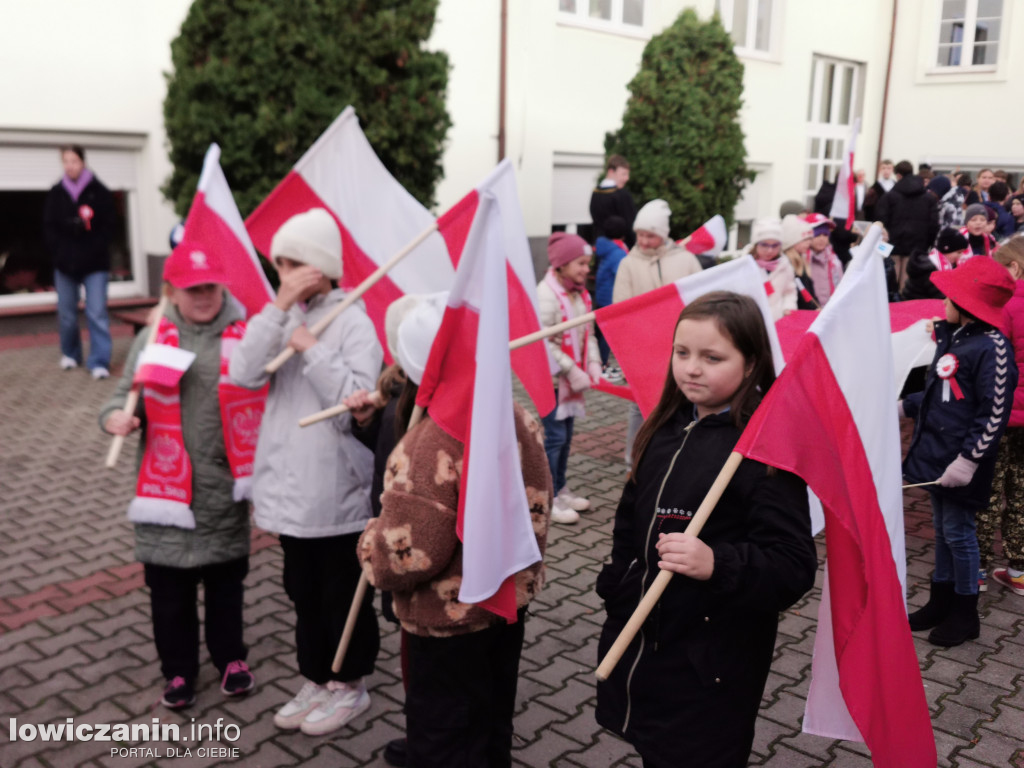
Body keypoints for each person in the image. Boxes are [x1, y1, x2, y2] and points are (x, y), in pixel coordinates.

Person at [595, 291, 817, 768]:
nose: (692, 368)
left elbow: (793, 564)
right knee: (656, 750)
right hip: (646, 643)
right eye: (682, 353)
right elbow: (629, 516)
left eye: (712, 357)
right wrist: (618, 582)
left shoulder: (762, 451)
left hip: (710, 664)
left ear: (751, 361)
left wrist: (717, 563)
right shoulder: (665, 427)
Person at [229, 208, 382, 735]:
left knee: (340, 591)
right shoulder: (282, 314)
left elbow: (359, 402)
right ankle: (317, 676)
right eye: (280, 265)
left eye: (295, 264)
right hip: (288, 487)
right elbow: (244, 373)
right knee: (301, 589)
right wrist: (278, 310)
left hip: (335, 491)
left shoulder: (354, 319)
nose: (285, 274)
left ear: (320, 267)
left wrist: (313, 350)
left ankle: (350, 682)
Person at [356, 369, 552, 768]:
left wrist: (370, 541)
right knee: (490, 719)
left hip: (449, 622)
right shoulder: (512, 413)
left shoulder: (432, 440)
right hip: (503, 606)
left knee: (444, 738)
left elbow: (406, 557)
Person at [99, 241, 262, 709]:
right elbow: (118, 400)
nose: (203, 296)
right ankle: (178, 671)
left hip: (220, 489)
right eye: (192, 289)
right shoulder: (153, 339)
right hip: (164, 492)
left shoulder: (245, 333)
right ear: (171, 290)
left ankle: (231, 659)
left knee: (225, 587)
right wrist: (114, 419)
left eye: (210, 285)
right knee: (169, 597)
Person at [343, 293, 448, 768]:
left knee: (425, 660)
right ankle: (423, 728)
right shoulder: (397, 397)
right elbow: (386, 451)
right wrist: (365, 422)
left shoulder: (431, 406)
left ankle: (429, 737)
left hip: (413, 551)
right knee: (409, 647)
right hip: (391, 533)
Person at [902, 256, 1018, 647]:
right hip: (938, 455)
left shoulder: (993, 348)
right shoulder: (956, 337)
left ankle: (965, 612)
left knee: (959, 533)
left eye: (948, 297)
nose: (942, 303)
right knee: (943, 530)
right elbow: (942, 393)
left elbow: (993, 411)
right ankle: (941, 600)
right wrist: (905, 406)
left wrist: (969, 460)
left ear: (966, 304)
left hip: (961, 461)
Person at [613, 199, 702, 466]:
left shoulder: (686, 260)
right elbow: (621, 307)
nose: (643, 240)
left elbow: (700, 300)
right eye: (639, 234)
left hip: (681, 348)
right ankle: (635, 460)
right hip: (643, 347)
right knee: (639, 405)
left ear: (662, 235)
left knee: (684, 401)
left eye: (649, 235)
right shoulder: (629, 264)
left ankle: (678, 457)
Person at [538, 233, 603, 524]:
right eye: (580, 263)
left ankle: (561, 488)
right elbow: (541, 342)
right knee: (554, 438)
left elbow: (586, 332)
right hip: (551, 381)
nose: (586, 269)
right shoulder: (547, 294)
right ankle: (547, 497)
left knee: (566, 438)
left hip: (568, 382)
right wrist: (571, 369)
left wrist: (592, 361)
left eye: (587, 263)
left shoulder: (580, 293)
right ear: (562, 265)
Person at [43, 144, 116, 378]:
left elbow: (110, 226)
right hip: (65, 265)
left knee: (96, 312)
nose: (70, 166)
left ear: (82, 162)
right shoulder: (57, 192)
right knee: (67, 314)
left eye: (74, 161)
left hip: (95, 265)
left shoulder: (99, 191)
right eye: (66, 162)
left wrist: (93, 247)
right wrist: (60, 251)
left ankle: (99, 361)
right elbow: (48, 227)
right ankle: (71, 354)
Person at [978, 238, 1024, 597]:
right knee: (1022, 493)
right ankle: (1017, 569)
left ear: (1013, 267)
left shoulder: (1006, 305)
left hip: (1004, 415)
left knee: (989, 492)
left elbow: (995, 360)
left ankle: (975, 569)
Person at [876, 160, 939, 291]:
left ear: (898, 175)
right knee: (908, 284)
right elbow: (934, 224)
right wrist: (929, 243)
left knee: (890, 281)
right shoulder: (929, 199)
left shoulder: (889, 197)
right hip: (918, 245)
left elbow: (881, 220)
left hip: (892, 244)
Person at [593, 215, 629, 377]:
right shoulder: (618, 253)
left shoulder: (604, 246)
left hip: (602, 296)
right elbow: (623, 275)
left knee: (602, 333)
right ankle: (602, 365)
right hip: (611, 299)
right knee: (608, 335)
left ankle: (601, 363)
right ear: (622, 233)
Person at [747, 217, 796, 321]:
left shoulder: (784, 266)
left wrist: (788, 307)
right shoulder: (745, 266)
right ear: (756, 245)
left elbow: (790, 291)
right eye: (764, 245)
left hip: (776, 320)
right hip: (751, 321)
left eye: (775, 245)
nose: (770, 250)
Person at [902, 228, 969, 301]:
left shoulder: (944, 265)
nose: (961, 256)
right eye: (958, 252)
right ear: (946, 249)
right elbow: (942, 297)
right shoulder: (931, 270)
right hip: (916, 306)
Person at [590, 155, 637, 249]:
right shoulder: (622, 195)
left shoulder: (595, 193)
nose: (627, 178)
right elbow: (631, 225)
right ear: (611, 172)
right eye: (624, 174)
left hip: (601, 246)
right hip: (621, 248)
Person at [802, 213, 844, 307]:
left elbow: (841, 287)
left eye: (825, 235)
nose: (822, 239)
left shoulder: (834, 260)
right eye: (817, 235)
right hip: (810, 311)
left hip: (830, 310)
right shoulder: (803, 261)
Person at [781, 214, 817, 309]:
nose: (809, 242)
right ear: (791, 241)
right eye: (805, 239)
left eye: (810, 239)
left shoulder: (803, 261)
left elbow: (809, 293)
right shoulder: (786, 263)